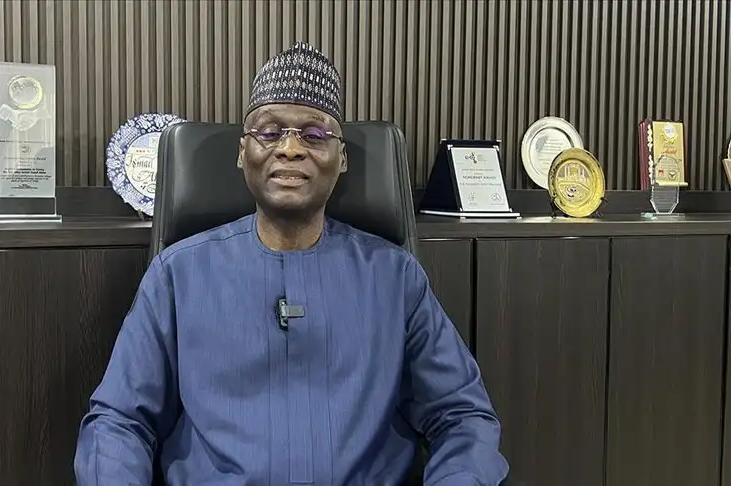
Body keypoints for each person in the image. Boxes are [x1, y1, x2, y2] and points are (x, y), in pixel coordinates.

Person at [74, 41, 509, 486]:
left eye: (315, 135)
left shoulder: (395, 278)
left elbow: (462, 417)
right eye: (269, 132)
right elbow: (118, 421)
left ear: (342, 158)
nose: (290, 148)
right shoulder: (176, 275)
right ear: (242, 152)